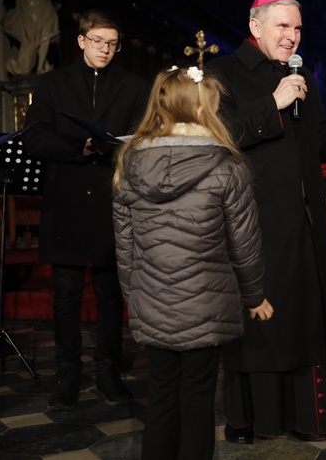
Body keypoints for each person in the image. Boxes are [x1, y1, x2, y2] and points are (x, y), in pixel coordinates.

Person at [205, 0, 326, 443]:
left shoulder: (301, 77)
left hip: (302, 221)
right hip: (253, 219)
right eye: (283, 26)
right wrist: (273, 104)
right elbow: (216, 134)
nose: (292, 37)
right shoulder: (220, 73)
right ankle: (256, 420)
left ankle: (306, 417)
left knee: (302, 318)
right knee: (264, 321)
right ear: (255, 26)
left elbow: (318, 133)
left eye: (298, 28)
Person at [112, 65, 274, 460]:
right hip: (206, 303)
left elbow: (125, 247)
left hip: (151, 302)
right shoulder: (227, 167)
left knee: (162, 397)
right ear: (202, 113)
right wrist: (255, 296)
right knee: (198, 402)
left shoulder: (129, 165)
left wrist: (135, 297)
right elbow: (245, 244)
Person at [20, 9, 150, 411]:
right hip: (68, 200)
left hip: (115, 199)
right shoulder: (53, 84)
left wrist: (120, 146)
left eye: (112, 43)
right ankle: (68, 374)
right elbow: (34, 137)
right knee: (66, 295)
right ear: (81, 41)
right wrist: (80, 149)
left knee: (112, 295)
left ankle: (110, 373)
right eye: (98, 41)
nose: (105, 50)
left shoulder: (134, 86)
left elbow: (145, 136)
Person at [3, 0, 74, 75]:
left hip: (42, 0)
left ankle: (40, 67)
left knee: (47, 31)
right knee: (31, 35)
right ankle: (25, 65)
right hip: (28, 0)